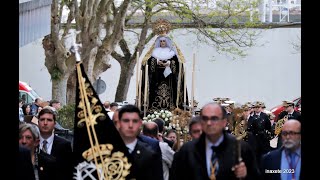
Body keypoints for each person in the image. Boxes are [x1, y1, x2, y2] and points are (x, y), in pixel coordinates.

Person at [170, 102, 260, 180]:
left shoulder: (240, 148)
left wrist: (245, 176)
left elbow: (256, 177)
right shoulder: (187, 150)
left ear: (224, 122)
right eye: (205, 118)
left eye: (214, 118)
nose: (209, 123)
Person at [140, 19, 187, 115]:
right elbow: (146, 62)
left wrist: (169, 63)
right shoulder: (153, 52)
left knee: (171, 94)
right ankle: (153, 110)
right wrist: (156, 61)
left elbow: (179, 64)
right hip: (156, 78)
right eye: (160, 41)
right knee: (155, 94)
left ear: (167, 42)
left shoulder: (172, 52)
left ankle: (173, 108)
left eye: (164, 41)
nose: (162, 43)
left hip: (170, 79)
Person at [117, 104, 163, 180]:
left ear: (140, 124)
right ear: (119, 123)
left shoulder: (150, 154)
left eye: (134, 121)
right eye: (126, 121)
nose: (130, 125)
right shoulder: (108, 149)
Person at [37, 108, 73, 180]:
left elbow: (68, 172)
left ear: (55, 124)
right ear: (38, 122)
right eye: (42, 119)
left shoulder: (65, 145)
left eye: (49, 120)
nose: (45, 123)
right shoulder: (31, 143)